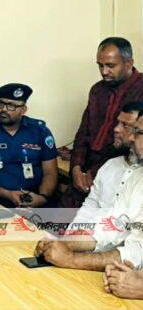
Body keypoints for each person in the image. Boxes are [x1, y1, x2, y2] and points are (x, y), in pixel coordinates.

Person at [35, 112, 143, 272]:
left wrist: (72, 259)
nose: (132, 138)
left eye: (138, 132)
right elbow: (113, 226)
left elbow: (137, 253)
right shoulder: (135, 176)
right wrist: (67, 243)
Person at [63, 37, 143, 208]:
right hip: (87, 167)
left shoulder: (140, 89)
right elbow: (83, 132)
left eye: (110, 66)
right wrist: (76, 167)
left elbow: (129, 141)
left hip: (121, 169)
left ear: (129, 63)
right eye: (100, 65)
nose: (104, 71)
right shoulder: (97, 90)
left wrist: (95, 173)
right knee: (59, 217)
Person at [0, 83, 58, 207]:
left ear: (23, 110)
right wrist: (8, 194)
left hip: (35, 199)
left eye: (11, 106)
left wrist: (42, 197)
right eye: (0, 103)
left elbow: (50, 173)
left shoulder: (40, 131)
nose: (4, 109)